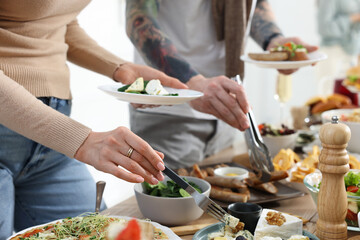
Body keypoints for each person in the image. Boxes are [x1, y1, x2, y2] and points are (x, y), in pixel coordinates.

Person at [0, 0, 187, 237]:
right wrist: (82, 140)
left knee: (103, 232)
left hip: (51, 145)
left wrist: (119, 67)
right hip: (44, 132)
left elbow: (57, 20)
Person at [125, 0, 318, 169]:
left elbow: (253, 4)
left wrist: (274, 39)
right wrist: (191, 81)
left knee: (217, 207)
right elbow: (138, 20)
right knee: (167, 205)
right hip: (170, 114)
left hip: (224, 110)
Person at [316, 0, 360, 95]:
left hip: (352, 53)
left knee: (352, 102)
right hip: (332, 51)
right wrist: (353, 18)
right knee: (328, 96)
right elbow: (324, 28)